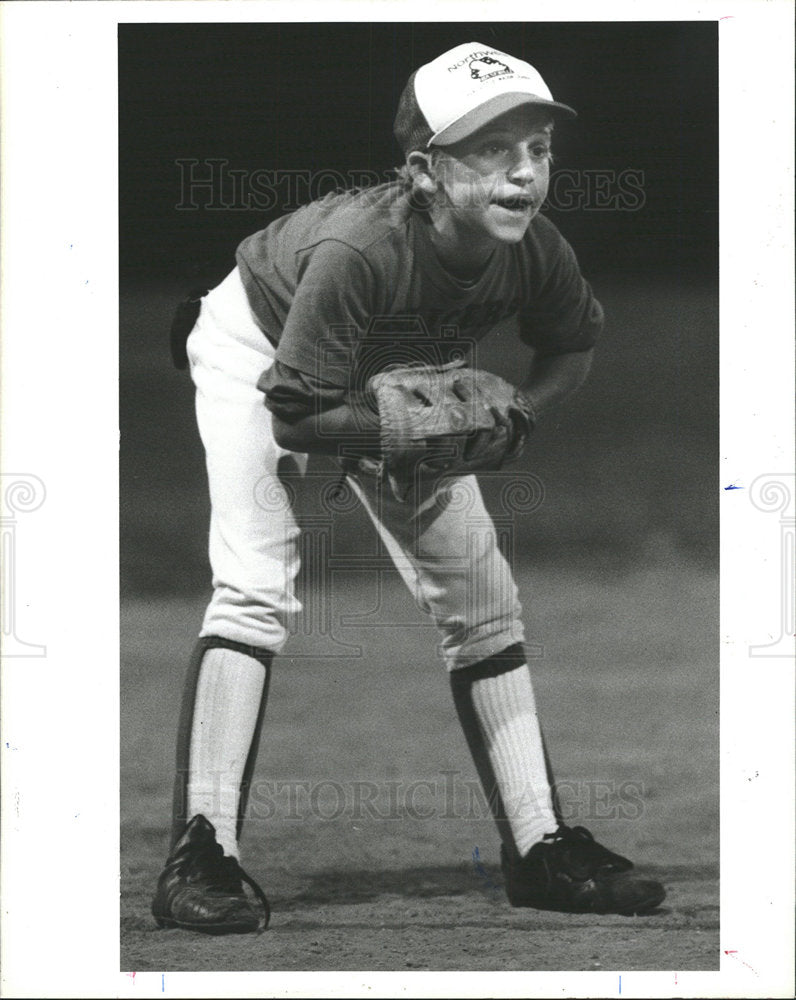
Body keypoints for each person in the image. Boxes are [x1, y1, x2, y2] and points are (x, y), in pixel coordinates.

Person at [151, 41, 666, 935]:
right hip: (262, 350)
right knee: (254, 586)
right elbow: (299, 415)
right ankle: (200, 854)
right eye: (491, 148)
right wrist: (406, 430)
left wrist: (519, 417)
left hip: (396, 373)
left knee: (486, 604)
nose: (524, 169)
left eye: (538, 147)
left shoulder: (536, 249)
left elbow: (570, 348)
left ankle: (540, 849)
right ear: (424, 170)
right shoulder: (360, 249)